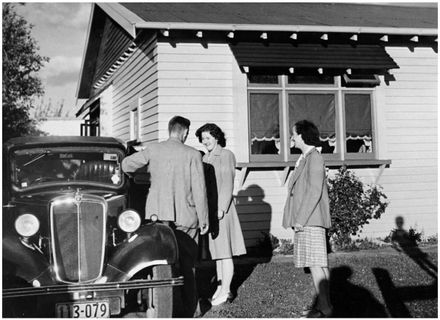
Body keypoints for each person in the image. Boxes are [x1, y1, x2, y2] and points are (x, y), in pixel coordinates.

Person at [121, 115, 209, 317]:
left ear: (170, 130)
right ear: (185, 132)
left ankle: (161, 305)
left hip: (158, 215)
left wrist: (140, 175)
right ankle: (190, 310)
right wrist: (204, 219)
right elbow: (199, 190)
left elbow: (126, 165)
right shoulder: (193, 154)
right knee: (188, 265)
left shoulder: (153, 150)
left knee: (158, 262)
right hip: (187, 216)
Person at [282, 120, 333, 318]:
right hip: (308, 218)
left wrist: (301, 219)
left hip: (310, 219)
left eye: (293, 134)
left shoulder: (314, 158)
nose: (292, 138)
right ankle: (324, 305)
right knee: (318, 263)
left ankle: (325, 308)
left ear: (302, 135)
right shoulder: (306, 157)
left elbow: (314, 191)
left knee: (315, 263)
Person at [195, 123, 246, 306]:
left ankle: (227, 290)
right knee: (216, 252)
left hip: (221, 211)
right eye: (202, 138)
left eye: (208, 137)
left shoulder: (226, 155)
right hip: (211, 210)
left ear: (217, 137)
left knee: (225, 253)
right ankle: (220, 286)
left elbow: (227, 183)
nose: (205, 141)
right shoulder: (206, 157)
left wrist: (221, 208)